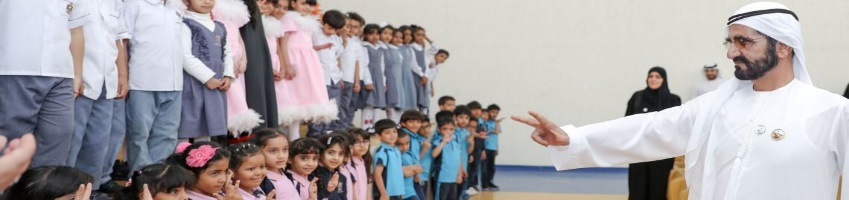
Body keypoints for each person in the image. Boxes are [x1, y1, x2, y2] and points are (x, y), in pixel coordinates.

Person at [513, 2, 849, 200]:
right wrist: (574, 139)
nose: (732, 52)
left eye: (744, 42)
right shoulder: (717, 106)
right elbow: (650, 129)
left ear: (784, 46)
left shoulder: (831, 112)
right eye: (729, 42)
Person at [0, 1, 89, 167]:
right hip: (15, 69)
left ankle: (43, 192)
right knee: (11, 141)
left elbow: (76, 29)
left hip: (61, 72)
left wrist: (77, 73)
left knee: (58, 136)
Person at [66, 0, 129, 196]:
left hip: (106, 82)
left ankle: (90, 189)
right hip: (80, 82)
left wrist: (122, 75)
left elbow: (118, 41)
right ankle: (65, 190)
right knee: (72, 140)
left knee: (98, 140)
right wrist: (74, 75)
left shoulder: (114, 4)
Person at [177, 0, 236, 143]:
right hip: (193, 83)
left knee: (207, 125)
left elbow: (227, 53)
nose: (207, 1)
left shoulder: (219, 27)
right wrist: (207, 78)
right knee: (187, 124)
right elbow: (185, 56)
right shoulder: (185, 24)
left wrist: (228, 75)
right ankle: (180, 160)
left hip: (216, 83)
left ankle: (204, 161)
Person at [624, 67, 682, 200]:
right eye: (651, 76)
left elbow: (675, 125)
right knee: (637, 187)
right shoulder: (637, 97)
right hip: (639, 150)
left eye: (658, 76)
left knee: (659, 186)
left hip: (662, 152)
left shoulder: (673, 100)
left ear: (664, 80)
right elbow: (627, 122)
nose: (653, 79)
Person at [373, 119, 405, 200]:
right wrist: (384, 194)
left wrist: (400, 191)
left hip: (396, 193)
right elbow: (377, 174)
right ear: (378, 136)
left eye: (394, 132)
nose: (392, 135)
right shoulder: (382, 152)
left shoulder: (396, 150)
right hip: (386, 195)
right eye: (387, 133)